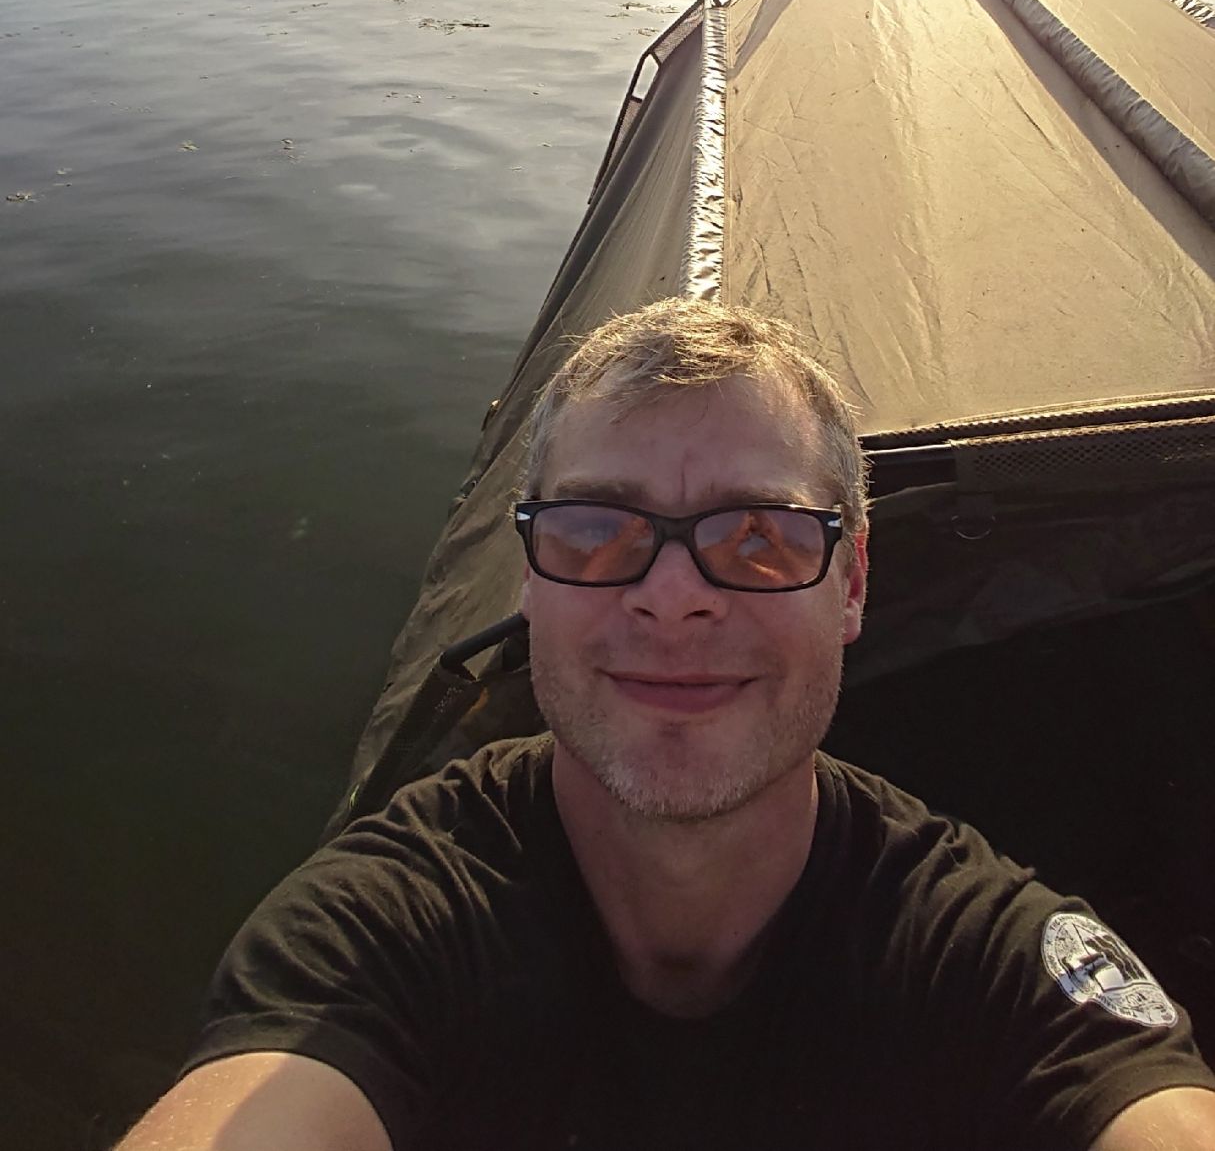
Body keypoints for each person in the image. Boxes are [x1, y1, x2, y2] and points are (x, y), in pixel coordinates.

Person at [117, 300, 1215, 1150]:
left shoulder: (971, 947)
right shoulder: (385, 929)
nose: (674, 595)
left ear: (852, 585)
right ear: (529, 578)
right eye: (597, 531)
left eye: (760, 538)